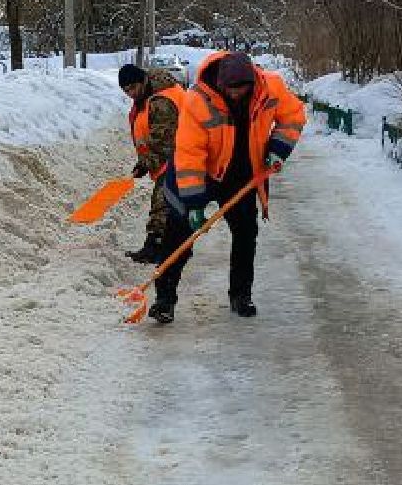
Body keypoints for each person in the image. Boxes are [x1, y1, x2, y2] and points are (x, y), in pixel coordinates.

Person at [142, 50, 306, 323]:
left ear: (252, 83)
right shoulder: (197, 100)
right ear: (220, 83)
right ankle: (164, 300)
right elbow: (189, 154)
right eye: (230, 89)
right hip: (201, 174)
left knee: (245, 234)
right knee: (178, 234)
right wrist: (194, 203)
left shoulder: (270, 87)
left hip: (242, 175)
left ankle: (241, 295)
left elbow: (293, 115)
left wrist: (278, 148)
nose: (236, 94)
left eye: (241, 89)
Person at [117, 63, 186, 262]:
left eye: (132, 88)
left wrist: (145, 163)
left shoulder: (161, 102)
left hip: (181, 156)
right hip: (172, 157)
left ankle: (155, 247)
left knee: (162, 202)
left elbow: (165, 143)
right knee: (169, 203)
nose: (130, 93)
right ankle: (170, 245)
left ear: (143, 80)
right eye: (126, 90)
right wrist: (144, 162)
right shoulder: (147, 96)